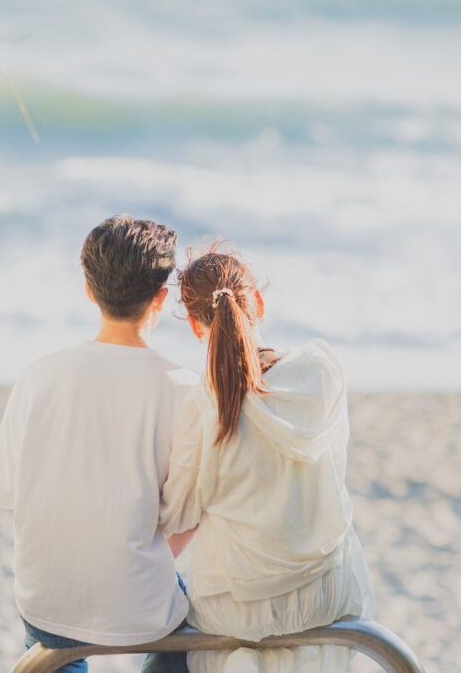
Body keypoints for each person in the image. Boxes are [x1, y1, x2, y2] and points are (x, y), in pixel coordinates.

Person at [0, 215, 195, 673]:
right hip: (142, 607)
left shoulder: (39, 375)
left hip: (46, 601)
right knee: (190, 634)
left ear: (89, 291)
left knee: (55, 642)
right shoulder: (182, 389)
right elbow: (186, 515)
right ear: (162, 297)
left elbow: (11, 492)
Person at [160, 242, 374, 673]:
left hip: (238, 609)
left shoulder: (202, 405)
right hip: (326, 594)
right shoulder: (321, 370)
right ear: (258, 302)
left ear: (197, 329)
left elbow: (179, 514)